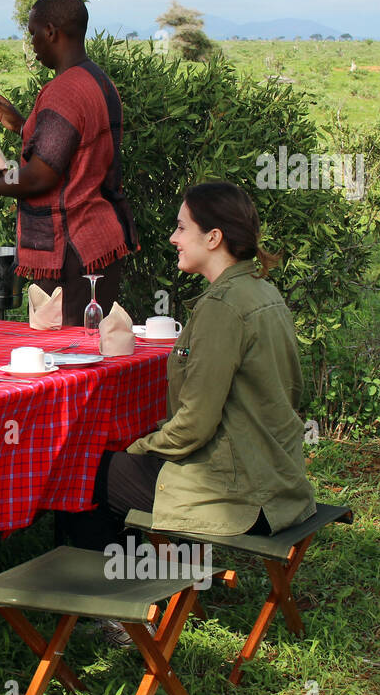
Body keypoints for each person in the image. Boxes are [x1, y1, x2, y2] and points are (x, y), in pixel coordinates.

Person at [79, 179, 316, 548]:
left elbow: (194, 425)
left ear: (213, 238)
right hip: (281, 484)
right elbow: (293, 392)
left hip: (241, 498)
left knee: (84, 471)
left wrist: (138, 447)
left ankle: (110, 592)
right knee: (118, 462)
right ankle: (164, 568)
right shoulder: (263, 290)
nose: (174, 238)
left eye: (182, 227)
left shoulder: (223, 307)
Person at [0, 0, 138, 323]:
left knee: (65, 355)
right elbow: (76, 150)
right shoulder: (98, 80)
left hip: (69, 250)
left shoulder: (63, 90)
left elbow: (40, 175)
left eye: (34, 33)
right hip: (100, 241)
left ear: (51, 31)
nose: (33, 43)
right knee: (95, 349)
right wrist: (23, 125)